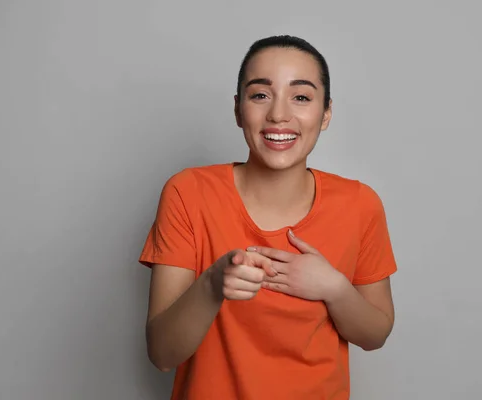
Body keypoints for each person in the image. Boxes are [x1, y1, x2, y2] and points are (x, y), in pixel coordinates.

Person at [139, 34, 398, 400]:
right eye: (260, 95)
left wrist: (334, 289)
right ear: (237, 109)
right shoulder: (188, 193)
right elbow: (162, 354)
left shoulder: (360, 204)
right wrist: (212, 284)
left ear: (326, 114)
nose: (278, 114)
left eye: (302, 97)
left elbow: (375, 335)